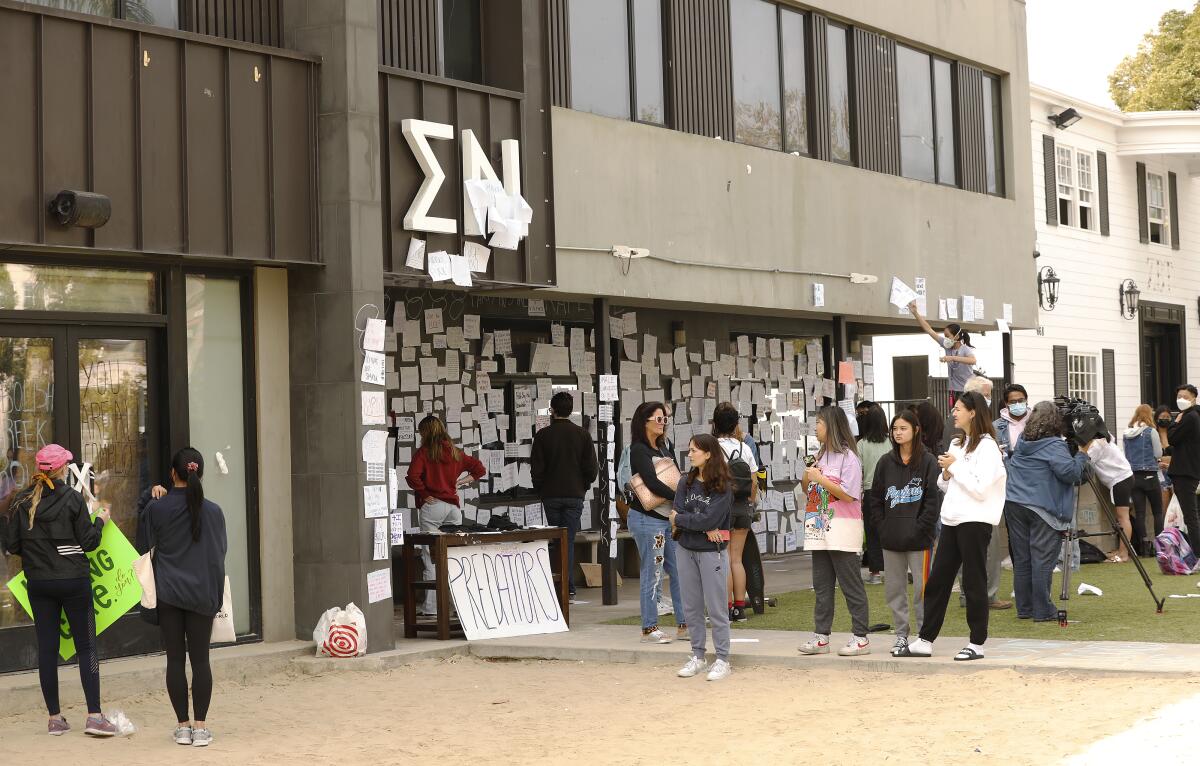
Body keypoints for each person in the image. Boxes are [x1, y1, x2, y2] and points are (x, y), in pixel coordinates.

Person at [1, 445, 117, 737]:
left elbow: (13, 546)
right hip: (74, 581)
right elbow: (90, 542)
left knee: (47, 650)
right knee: (86, 647)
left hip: (39, 583)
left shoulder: (22, 500)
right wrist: (101, 519)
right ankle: (94, 716)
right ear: (62, 469)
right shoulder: (73, 499)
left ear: (39, 469)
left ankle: (55, 719)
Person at [897, 392, 1005, 661]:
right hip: (952, 519)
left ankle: (977, 643)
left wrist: (955, 469)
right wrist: (947, 473)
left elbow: (981, 488)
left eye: (959, 409)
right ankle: (925, 639)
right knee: (938, 580)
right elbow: (944, 484)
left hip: (976, 520)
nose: (954, 413)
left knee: (974, 581)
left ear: (973, 413)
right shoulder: (958, 443)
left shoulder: (988, 447)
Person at [142, 448, 227, 747]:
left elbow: (145, 541)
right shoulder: (214, 512)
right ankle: (201, 728)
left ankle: (182, 726)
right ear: (199, 473)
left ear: (172, 473)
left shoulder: (157, 508)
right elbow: (219, 557)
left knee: (175, 660)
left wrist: (149, 496)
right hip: (203, 593)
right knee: (201, 660)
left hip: (168, 594)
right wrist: (216, 597)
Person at [1002, 403, 1089, 621]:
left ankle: (1025, 608)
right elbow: (1070, 474)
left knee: (1022, 560)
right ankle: (1042, 611)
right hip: (1041, 507)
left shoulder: (1023, 440)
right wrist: (1082, 454)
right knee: (1041, 560)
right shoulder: (1054, 445)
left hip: (1014, 502)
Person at [795, 406, 871, 657]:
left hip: (843, 527)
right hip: (818, 525)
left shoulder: (849, 458)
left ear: (833, 426)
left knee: (851, 584)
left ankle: (860, 637)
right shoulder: (819, 455)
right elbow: (807, 488)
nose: (816, 427)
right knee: (822, 585)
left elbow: (849, 494)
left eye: (819, 422)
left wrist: (821, 478)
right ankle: (821, 636)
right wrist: (810, 474)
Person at [867, 411, 941, 657]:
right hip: (891, 539)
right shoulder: (885, 462)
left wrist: (921, 527)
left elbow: (932, 500)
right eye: (895, 428)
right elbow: (875, 499)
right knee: (894, 590)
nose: (898, 433)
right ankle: (901, 635)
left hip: (920, 540)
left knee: (922, 590)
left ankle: (923, 636)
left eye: (903, 428)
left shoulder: (928, 461)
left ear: (916, 430)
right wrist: (883, 526)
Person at [406, 415, 487, 614]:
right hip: (453, 508)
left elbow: (412, 476)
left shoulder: (424, 453)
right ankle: (456, 605)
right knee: (453, 555)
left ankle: (432, 607)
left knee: (430, 556)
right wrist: (460, 482)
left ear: (425, 432)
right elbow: (480, 469)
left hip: (433, 506)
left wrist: (424, 494)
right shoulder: (455, 452)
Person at [671, 434, 734, 682]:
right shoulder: (684, 483)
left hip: (712, 552)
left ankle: (722, 658)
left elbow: (709, 519)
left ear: (708, 453)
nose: (690, 455)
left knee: (717, 607)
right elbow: (676, 513)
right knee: (691, 607)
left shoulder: (723, 486)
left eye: (694, 450)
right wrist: (691, 523)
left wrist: (684, 521)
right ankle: (698, 655)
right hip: (686, 549)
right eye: (689, 450)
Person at [627, 401, 686, 643]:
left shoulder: (664, 449)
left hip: (666, 519)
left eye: (665, 419)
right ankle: (649, 628)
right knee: (653, 572)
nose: (663, 424)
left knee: (679, 571)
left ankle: (685, 623)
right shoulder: (638, 449)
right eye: (658, 419)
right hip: (647, 518)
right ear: (645, 422)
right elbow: (650, 482)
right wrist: (678, 497)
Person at [531, 391, 599, 599]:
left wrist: (541, 489)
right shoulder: (582, 435)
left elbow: (536, 469)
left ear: (552, 410)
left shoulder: (543, 436)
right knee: (568, 539)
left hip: (550, 495)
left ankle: (556, 582)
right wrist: (583, 486)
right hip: (574, 494)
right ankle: (567, 585)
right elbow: (592, 469)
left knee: (554, 538)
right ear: (571, 410)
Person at [710, 402, 758, 623]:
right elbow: (754, 482)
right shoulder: (744, 448)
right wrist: (750, 504)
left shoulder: (712, 448)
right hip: (743, 508)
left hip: (722, 508)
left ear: (715, 423)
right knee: (736, 559)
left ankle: (726, 608)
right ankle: (740, 609)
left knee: (724, 559)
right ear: (736, 424)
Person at [908, 301, 977, 406]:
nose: (945, 339)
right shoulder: (947, 346)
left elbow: (973, 360)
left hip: (967, 391)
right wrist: (915, 313)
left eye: (947, 336)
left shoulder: (965, 349)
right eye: (944, 336)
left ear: (957, 337)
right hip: (953, 390)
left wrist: (952, 358)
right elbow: (929, 330)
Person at [1085, 431, 1135, 563]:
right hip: (1123, 477)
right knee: (1122, 517)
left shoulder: (1096, 444)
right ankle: (1121, 551)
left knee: (1123, 517)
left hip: (1120, 479)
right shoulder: (1104, 437)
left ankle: (1123, 554)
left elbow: (1084, 462)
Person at [856, 403, 890, 585]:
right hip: (893, 492)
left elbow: (858, 471)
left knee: (872, 531)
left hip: (870, 492)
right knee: (892, 530)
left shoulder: (861, 444)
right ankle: (894, 569)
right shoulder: (892, 442)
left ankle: (875, 573)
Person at [1125, 405, 1165, 555]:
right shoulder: (1151, 431)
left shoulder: (1127, 432)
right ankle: (1159, 545)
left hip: (1134, 476)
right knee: (1157, 511)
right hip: (1150, 475)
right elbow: (1158, 452)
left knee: (1140, 513)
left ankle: (1144, 545)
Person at [1167, 385, 1200, 556]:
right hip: (1189, 470)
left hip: (1185, 472)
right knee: (1192, 516)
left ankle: (1197, 555)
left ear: (1194, 399)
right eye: (1179, 396)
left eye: (1186, 397)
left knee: (1191, 517)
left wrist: (1174, 422)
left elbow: (1172, 438)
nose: (1181, 399)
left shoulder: (1189, 417)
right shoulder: (1193, 416)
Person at [994, 384, 1030, 457]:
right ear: (1006, 403)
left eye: (1021, 400)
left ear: (1026, 400)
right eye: (1013, 402)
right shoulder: (995, 426)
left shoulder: (1037, 422)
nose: (1017, 404)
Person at [1155, 404, 1175, 523]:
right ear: (1157, 418)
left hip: (1174, 471)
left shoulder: (1173, 434)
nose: (1165, 419)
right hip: (1160, 474)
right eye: (1162, 417)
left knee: (1176, 507)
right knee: (1164, 508)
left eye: (1168, 417)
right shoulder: (1153, 434)